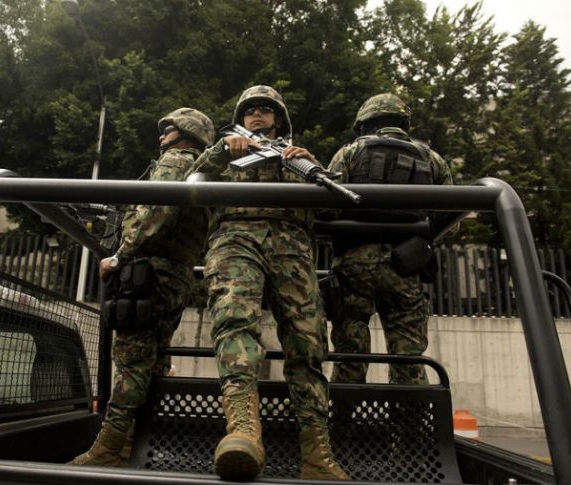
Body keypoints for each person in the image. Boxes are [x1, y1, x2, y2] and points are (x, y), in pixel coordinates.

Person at [186, 85, 349, 481]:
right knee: (234, 321)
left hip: (291, 245)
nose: (257, 115)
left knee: (308, 340)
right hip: (235, 237)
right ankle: (242, 430)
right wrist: (223, 152)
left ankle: (316, 452)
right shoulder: (227, 148)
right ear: (241, 117)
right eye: (250, 110)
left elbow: (330, 203)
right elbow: (193, 182)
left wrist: (309, 164)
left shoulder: (297, 156)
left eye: (266, 110)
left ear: (278, 119)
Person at [69, 108, 213, 467]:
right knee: (152, 364)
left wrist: (120, 255)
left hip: (149, 274)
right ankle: (130, 445)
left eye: (168, 129)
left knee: (132, 363)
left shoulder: (176, 160)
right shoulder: (203, 168)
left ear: (185, 133)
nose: (162, 135)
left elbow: (153, 213)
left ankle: (107, 450)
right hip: (175, 277)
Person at [326, 93, 453, 385]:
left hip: (353, 266)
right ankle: (409, 430)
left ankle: (341, 427)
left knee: (350, 354)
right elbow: (450, 220)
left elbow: (327, 205)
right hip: (405, 268)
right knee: (408, 358)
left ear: (365, 123)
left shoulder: (349, 152)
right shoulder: (432, 159)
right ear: (403, 122)